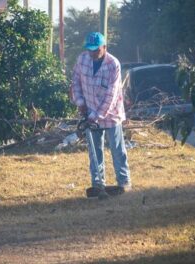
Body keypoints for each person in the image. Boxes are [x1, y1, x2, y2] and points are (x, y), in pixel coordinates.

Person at [70, 32, 131, 199]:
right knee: (94, 151)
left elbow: (111, 95)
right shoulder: (82, 59)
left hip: (111, 113)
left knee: (117, 149)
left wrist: (96, 115)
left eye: (96, 50)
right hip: (89, 110)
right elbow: (75, 82)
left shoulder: (113, 65)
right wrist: (80, 102)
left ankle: (123, 182)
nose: (92, 53)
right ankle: (98, 184)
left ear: (104, 47)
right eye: (89, 50)